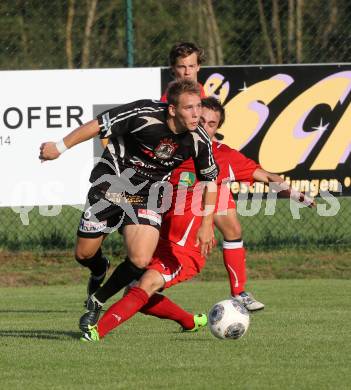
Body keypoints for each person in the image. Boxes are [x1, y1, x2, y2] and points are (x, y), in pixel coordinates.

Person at [80, 98, 315, 341]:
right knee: (135, 292)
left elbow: (265, 176)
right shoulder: (173, 148)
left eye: (211, 124)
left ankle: (94, 332)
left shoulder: (223, 157)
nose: (204, 126)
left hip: (185, 249)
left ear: (217, 128)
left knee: (144, 287)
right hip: (158, 238)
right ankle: (190, 321)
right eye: (200, 119)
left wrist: (294, 193)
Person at [39, 79, 218, 310]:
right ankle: (99, 268)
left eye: (198, 106)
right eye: (189, 108)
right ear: (172, 110)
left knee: (141, 259)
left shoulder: (199, 140)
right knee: (84, 254)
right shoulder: (144, 114)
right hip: (110, 187)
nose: (197, 114)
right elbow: (97, 125)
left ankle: (98, 300)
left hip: (148, 196)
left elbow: (210, 182)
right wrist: (59, 147)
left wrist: (207, 224)